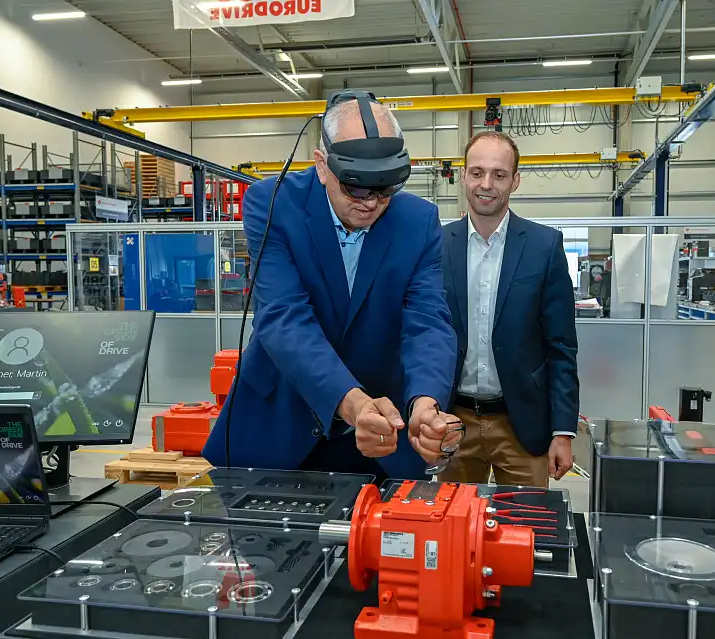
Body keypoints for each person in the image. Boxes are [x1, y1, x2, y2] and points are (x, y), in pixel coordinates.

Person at [203, 90, 458, 481]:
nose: (370, 203)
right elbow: (283, 317)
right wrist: (353, 405)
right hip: (279, 423)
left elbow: (428, 322)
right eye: (356, 187)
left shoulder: (419, 221)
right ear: (323, 166)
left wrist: (425, 401)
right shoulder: (271, 203)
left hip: (381, 437)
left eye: (385, 188)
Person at [440, 131, 579, 488]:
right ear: (464, 176)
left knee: (525, 531)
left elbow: (561, 347)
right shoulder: (437, 245)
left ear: (515, 181)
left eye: (499, 174)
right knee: (451, 533)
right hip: (452, 422)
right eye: (477, 172)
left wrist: (563, 431)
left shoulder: (544, 246)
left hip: (522, 424)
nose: (486, 184)